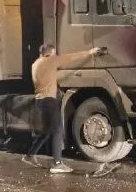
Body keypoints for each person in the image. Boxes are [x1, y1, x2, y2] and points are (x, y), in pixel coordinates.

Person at [24, 43, 103, 173]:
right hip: (49, 100)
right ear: (50, 53)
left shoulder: (35, 64)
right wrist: (90, 52)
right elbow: (71, 57)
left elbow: (47, 78)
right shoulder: (51, 60)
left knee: (46, 131)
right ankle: (57, 164)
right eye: (54, 53)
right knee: (57, 130)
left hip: (39, 101)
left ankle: (29, 156)